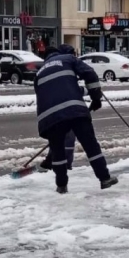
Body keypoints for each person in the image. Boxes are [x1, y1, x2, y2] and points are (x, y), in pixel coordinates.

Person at [33, 44, 118, 194]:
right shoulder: (67, 59)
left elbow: (55, 91)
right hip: (74, 111)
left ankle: (61, 186)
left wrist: (84, 91)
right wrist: (95, 96)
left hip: (49, 118)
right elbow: (89, 73)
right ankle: (104, 178)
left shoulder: (39, 73)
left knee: (57, 152)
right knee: (90, 145)